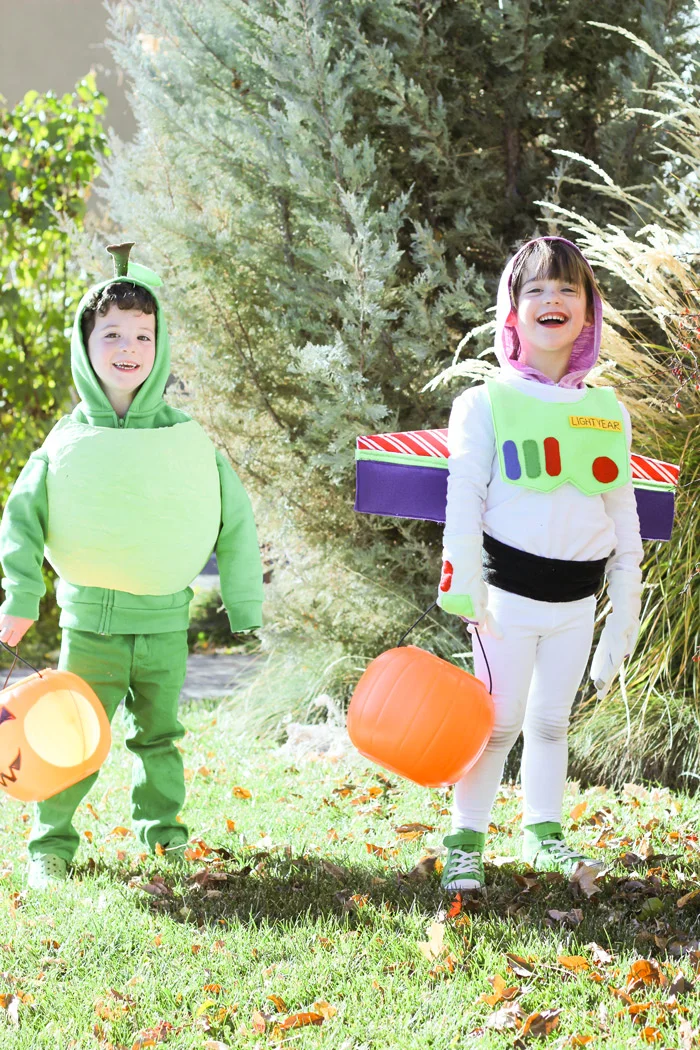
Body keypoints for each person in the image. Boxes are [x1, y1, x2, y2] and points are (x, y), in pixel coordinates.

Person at [0, 243, 263, 890]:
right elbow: (22, 519)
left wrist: (244, 601)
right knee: (70, 736)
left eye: (143, 335)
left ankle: (164, 838)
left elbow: (234, 519)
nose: (129, 347)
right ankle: (49, 846)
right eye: (112, 333)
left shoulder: (185, 438)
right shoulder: (67, 441)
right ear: (85, 344)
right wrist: (22, 597)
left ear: (160, 344)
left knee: (160, 739)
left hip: (165, 625)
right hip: (91, 628)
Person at [437, 236, 643, 893]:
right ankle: (465, 842)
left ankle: (542, 834)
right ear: (512, 310)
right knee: (496, 725)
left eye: (567, 289)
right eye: (536, 289)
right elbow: (464, 498)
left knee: (551, 723)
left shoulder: (607, 412)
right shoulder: (483, 403)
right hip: (506, 603)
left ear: (588, 312)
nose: (552, 299)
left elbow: (623, 519)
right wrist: (465, 585)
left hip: (576, 605)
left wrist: (623, 617)